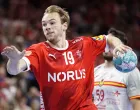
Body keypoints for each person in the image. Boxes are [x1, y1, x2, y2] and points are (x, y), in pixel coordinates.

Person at [1, 5, 131, 110]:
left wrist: (118, 45)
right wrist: (14, 60)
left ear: (64, 25)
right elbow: (13, 70)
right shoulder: (38, 50)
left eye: (52, 23)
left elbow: (109, 38)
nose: (47, 27)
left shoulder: (83, 44)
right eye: (44, 24)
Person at [92, 28, 140, 110]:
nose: (107, 47)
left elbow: (137, 104)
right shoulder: (95, 71)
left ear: (122, 47)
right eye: (106, 43)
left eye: (111, 44)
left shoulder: (131, 71)